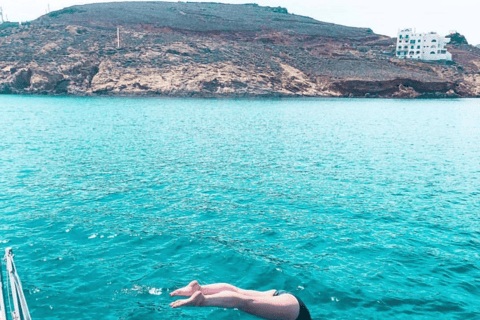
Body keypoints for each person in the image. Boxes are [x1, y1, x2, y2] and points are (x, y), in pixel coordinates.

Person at [169, 280, 312, 320]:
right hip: (293, 313)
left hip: (283, 296)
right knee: (243, 302)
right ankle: (203, 299)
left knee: (239, 291)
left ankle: (199, 288)